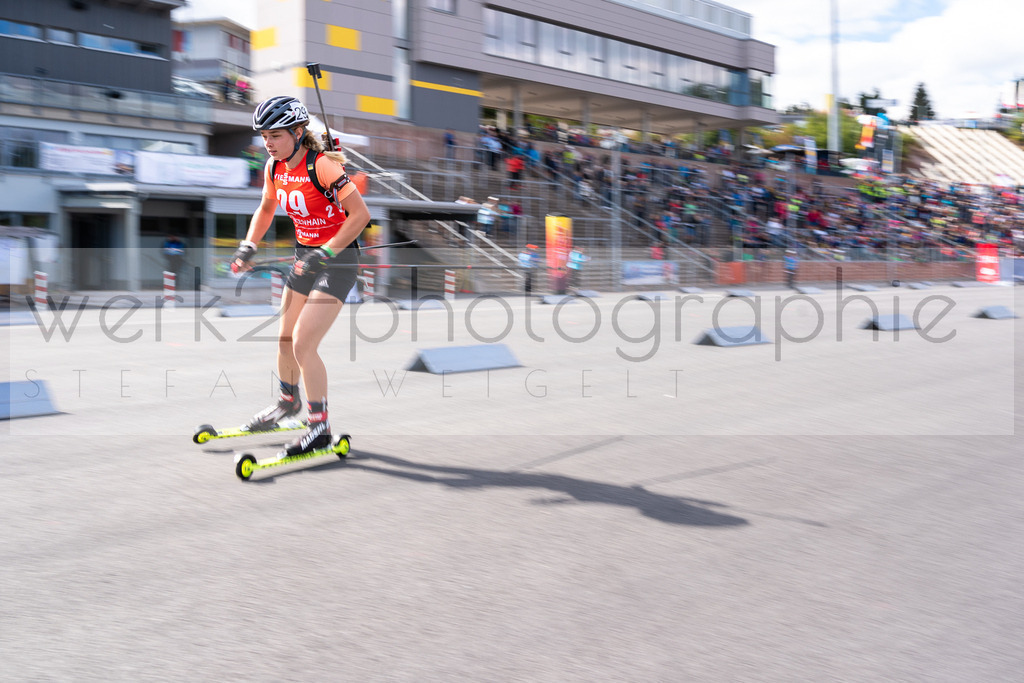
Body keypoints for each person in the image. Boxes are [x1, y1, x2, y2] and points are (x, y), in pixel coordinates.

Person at [231, 95, 370, 457]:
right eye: (264, 136)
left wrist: (325, 253)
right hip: (303, 259)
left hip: (336, 261)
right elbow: (265, 208)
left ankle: (319, 427)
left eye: (275, 135)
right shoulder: (273, 168)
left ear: (297, 131)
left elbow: (360, 216)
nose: (268, 142)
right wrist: (249, 245)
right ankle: (287, 403)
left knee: (304, 344)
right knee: (284, 339)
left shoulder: (321, 166)